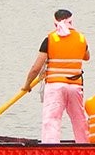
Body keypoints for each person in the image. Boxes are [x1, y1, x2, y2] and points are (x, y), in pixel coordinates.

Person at [24, 9, 90, 143]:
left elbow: (36, 68)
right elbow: (86, 56)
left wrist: (27, 85)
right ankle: (84, 145)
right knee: (79, 119)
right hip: (75, 86)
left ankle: (50, 146)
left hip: (55, 86)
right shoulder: (81, 38)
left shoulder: (50, 39)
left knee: (52, 119)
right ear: (71, 21)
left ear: (55, 23)